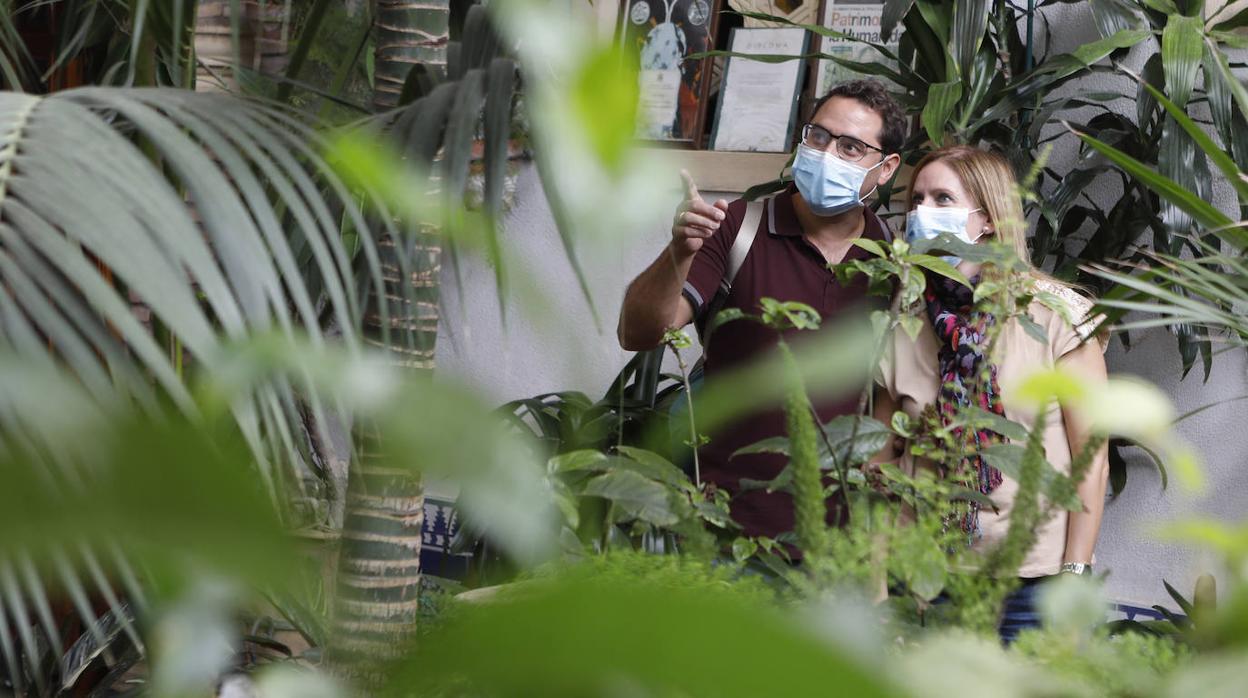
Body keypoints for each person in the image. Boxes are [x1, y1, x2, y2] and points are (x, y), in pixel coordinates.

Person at [617, 79, 906, 543]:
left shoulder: (897, 262)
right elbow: (639, 333)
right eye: (819, 136)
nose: (827, 154)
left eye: (851, 147)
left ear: (886, 167)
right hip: (725, 528)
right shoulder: (737, 226)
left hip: (844, 538)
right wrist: (678, 251)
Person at [873, 145, 1110, 643]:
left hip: (1031, 587)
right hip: (924, 579)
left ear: (986, 218)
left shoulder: (1055, 314)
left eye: (942, 198)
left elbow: (1092, 458)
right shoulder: (903, 323)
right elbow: (883, 465)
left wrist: (1075, 574)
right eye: (916, 199)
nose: (922, 214)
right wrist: (879, 585)